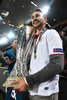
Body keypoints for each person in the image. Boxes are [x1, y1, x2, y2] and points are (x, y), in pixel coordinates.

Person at [11, 9, 64, 100]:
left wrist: (27, 81)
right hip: (32, 89)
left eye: (37, 15)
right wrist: (17, 48)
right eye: (32, 17)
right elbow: (28, 59)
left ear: (45, 20)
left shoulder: (51, 33)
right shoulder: (34, 40)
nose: (34, 18)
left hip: (45, 92)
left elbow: (58, 65)